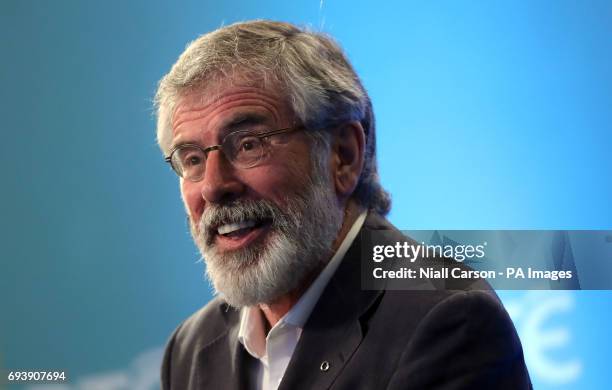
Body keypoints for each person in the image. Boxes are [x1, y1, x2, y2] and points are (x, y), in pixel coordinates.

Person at [154, 20, 532, 390]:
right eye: (191, 159)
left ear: (343, 155)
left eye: (249, 144)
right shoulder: (190, 350)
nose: (214, 186)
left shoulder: (447, 322)